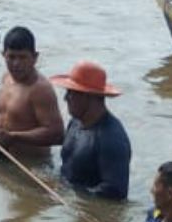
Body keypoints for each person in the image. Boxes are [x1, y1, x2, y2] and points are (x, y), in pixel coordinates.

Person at [50, 61, 131, 200]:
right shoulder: (75, 122)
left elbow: (116, 192)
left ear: (89, 96)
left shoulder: (111, 139)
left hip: (85, 208)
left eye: (71, 93)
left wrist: (70, 193)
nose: (65, 98)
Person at [0, 27, 65, 158]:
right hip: (3, 157)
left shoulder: (41, 90)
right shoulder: (6, 78)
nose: (16, 63)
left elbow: (57, 134)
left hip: (31, 166)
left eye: (22, 57)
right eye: (11, 57)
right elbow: (8, 117)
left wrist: (14, 137)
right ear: (3, 55)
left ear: (35, 58)